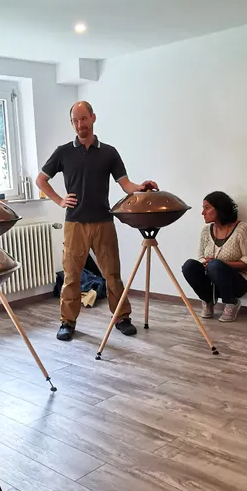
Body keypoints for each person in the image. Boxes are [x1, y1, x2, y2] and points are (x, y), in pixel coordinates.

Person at [37, 101, 158, 341]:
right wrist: (60, 200)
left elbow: (126, 184)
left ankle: (121, 318)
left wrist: (141, 187)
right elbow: (41, 180)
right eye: (75, 120)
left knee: (112, 274)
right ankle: (67, 322)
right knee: (72, 276)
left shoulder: (109, 153)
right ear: (71, 123)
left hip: (104, 222)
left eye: (83, 118)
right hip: (75, 224)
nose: (80, 124)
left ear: (93, 118)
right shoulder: (63, 152)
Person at [182, 192, 247, 321]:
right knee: (189, 265)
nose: (202, 213)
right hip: (212, 280)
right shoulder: (206, 230)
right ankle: (208, 300)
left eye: (207, 208)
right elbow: (200, 257)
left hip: (237, 283)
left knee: (215, 265)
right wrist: (205, 263)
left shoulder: (241, 229)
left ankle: (231, 302)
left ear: (219, 209)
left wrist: (222, 264)